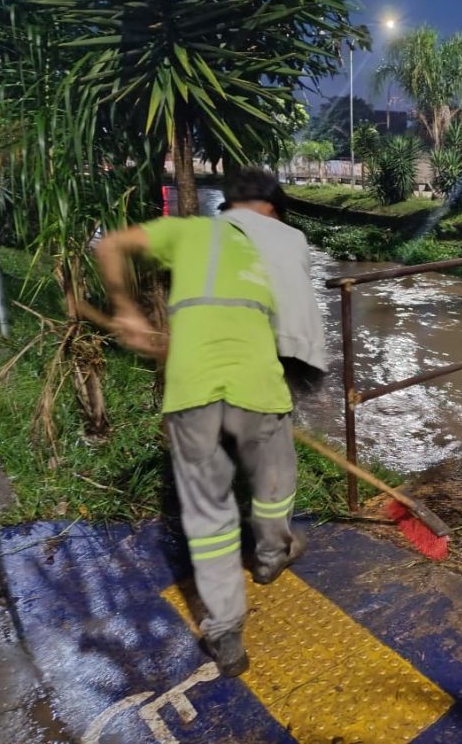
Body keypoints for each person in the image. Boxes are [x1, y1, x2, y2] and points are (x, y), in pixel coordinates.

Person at [94, 168, 324, 677]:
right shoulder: (280, 244)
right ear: (271, 210)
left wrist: (127, 312)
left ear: (228, 207)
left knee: (208, 515)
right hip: (259, 386)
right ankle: (268, 559)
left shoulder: (190, 231)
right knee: (274, 483)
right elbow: (298, 322)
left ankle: (224, 632)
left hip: (191, 387)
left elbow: (109, 245)